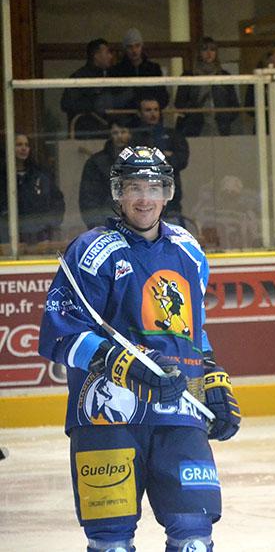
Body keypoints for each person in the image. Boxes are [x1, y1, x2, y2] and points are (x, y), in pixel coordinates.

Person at [38, 145, 241, 552]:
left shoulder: (188, 250)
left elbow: (192, 330)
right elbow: (60, 336)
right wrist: (123, 364)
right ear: (118, 192)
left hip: (180, 412)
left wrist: (211, 376)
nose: (144, 199)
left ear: (167, 193)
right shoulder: (91, 251)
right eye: (134, 187)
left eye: (153, 188)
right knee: (110, 541)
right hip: (107, 416)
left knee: (194, 535)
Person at [0, 133, 65, 245]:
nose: (23, 148)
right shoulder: (3, 177)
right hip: (8, 237)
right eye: (19, 145)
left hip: (39, 237)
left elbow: (57, 201)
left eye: (26, 145)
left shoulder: (40, 175)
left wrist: (50, 225)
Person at [131, 97, 190, 218]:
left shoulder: (172, 134)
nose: (153, 114)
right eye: (148, 110)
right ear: (139, 113)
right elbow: (134, 164)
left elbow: (182, 160)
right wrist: (164, 156)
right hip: (142, 197)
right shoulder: (134, 137)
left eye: (156, 109)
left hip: (170, 196)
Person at [60, 38, 130, 139]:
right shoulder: (80, 77)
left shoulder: (112, 75)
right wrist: (93, 105)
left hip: (110, 133)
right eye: (107, 53)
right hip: (87, 134)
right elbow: (67, 103)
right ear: (96, 55)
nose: (110, 56)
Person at [174, 37, 241, 137]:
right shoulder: (189, 76)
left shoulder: (224, 76)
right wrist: (193, 114)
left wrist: (224, 117)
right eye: (205, 49)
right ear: (199, 53)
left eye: (212, 50)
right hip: (194, 127)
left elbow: (234, 104)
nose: (209, 53)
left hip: (220, 127)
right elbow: (179, 103)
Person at [80, 118, 133, 229]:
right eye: (115, 133)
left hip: (138, 224)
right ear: (110, 135)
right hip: (106, 223)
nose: (119, 136)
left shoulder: (142, 162)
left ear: (130, 134)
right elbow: (88, 199)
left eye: (123, 132)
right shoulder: (96, 162)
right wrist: (97, 227)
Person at [109, 28, 170, 113]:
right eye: (130, 47)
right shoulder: (116, 71)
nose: (134, 50)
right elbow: (114, 99)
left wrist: (152, 108)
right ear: (125, 49)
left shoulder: (153, 69)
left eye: (137, 46)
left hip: (151, 115)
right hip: (126, 116)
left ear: (142, 46)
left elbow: (163, 96)